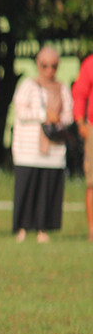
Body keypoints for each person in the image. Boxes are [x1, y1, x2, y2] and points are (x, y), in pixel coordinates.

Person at [11, 46, 73, 243]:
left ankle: (43, 229)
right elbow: (20, 112)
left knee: (47, 190)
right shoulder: (28, 85)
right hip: (28, 149)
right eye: (45, 65)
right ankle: (21, 228)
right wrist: (43, 116)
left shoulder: (62, 88)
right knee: (27, 189)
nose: (49, 70)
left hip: (53, 151)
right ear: (39, 65)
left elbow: (69, 115)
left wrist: (58, 119)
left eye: (53, 66)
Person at [71, 54, 93, 241]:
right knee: (92, 182)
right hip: (92, 126)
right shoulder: (90, 64)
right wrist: (80, 122)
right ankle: (92, 231)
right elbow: (80, 93)